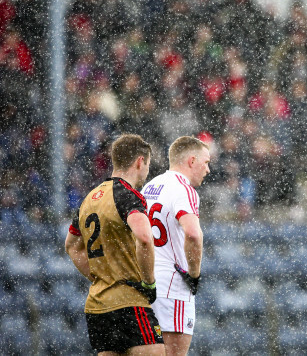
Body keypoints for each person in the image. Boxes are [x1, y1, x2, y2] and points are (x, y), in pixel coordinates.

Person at [64, 134, 165, 355]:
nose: (147, 171)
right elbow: (145, 238)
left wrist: (100, 275)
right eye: (147, 165)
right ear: (140, 161)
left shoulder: (89, 198)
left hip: (97, 307)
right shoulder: (128, 195)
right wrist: (148, 283)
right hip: (129, 303)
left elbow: (71, 245)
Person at [141, 136, 211, 355]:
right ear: (191, 161)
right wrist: (194, 275)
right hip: (173, 287)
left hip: (147, 284)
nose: (208, 170)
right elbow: (193, 233)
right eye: (206, 162)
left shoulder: (150, 187)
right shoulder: (184, 189)